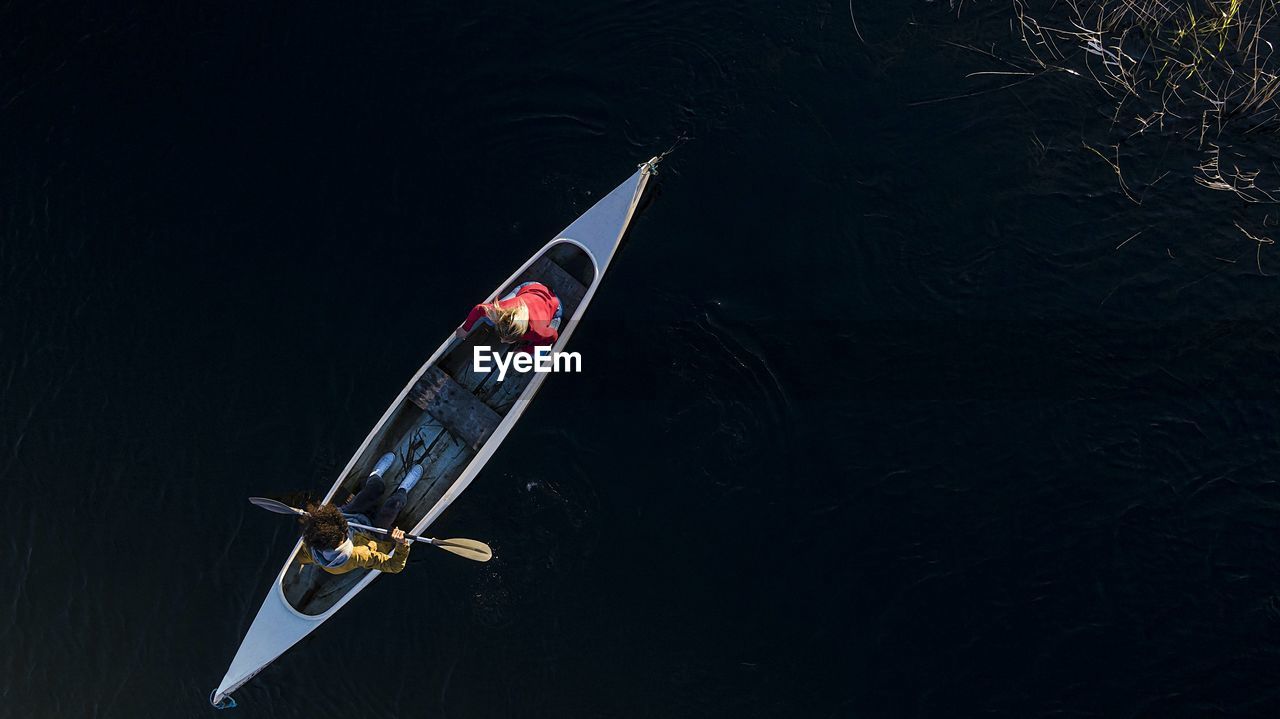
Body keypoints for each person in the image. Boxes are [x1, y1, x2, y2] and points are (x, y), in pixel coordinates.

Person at [297, 452, 422, 575]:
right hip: (372, 533)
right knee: (395, 504)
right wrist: (402, 544)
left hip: (351, 515)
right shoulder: (358, 554)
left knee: (375, 488)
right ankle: (403, 489)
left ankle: (375, 476)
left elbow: (301, 557)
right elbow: (394, 566)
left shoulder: (311, 544)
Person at [455, 281, 562, 355]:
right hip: (531, 287)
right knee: (489, 320)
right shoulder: (502, 310)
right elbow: (479, 309)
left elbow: (553, 337)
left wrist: (526, 350)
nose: (501, 341)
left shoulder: (537, 332)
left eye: (507, 340)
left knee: (539, 354)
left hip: (555, 305)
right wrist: (465, 328)